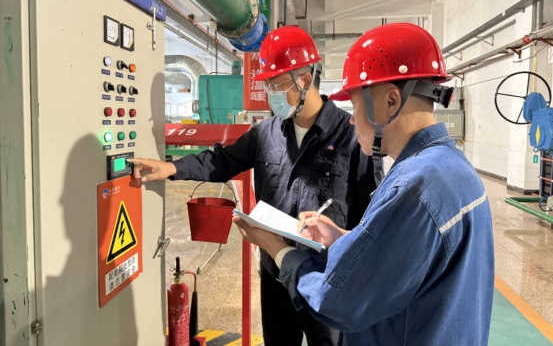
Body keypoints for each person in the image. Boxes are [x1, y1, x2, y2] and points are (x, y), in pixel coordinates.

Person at [233, 23, 495, 345]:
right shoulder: (454, 169)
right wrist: (343, 239)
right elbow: (406, 255)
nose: (352, 118)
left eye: (355, 104)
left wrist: (277, 249)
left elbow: (339, 302)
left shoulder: (413, 189)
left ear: (390, 101)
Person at [130, 26, 375, 346]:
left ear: (304, 80)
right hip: (275, 271)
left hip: (323, 276)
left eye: (277, 84)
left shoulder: (350, 136)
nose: (271, 93)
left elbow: (367, 212)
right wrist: (173, 167)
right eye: (268, 84)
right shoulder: (266, 134)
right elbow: (222, 161)